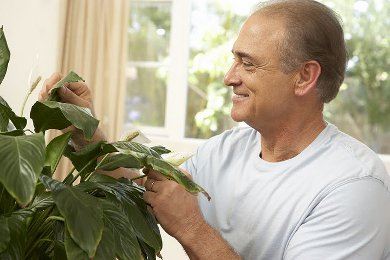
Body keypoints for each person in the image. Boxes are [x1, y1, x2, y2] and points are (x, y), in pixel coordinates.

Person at [40, 0, 390, 259]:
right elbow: (144, 190)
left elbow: (183, 216)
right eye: (235, 59)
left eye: (248, 63)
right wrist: (87, 131)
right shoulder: (227, 149)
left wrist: (193, 228)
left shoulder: (353, 185)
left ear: (304, 77)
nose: (229, 77)